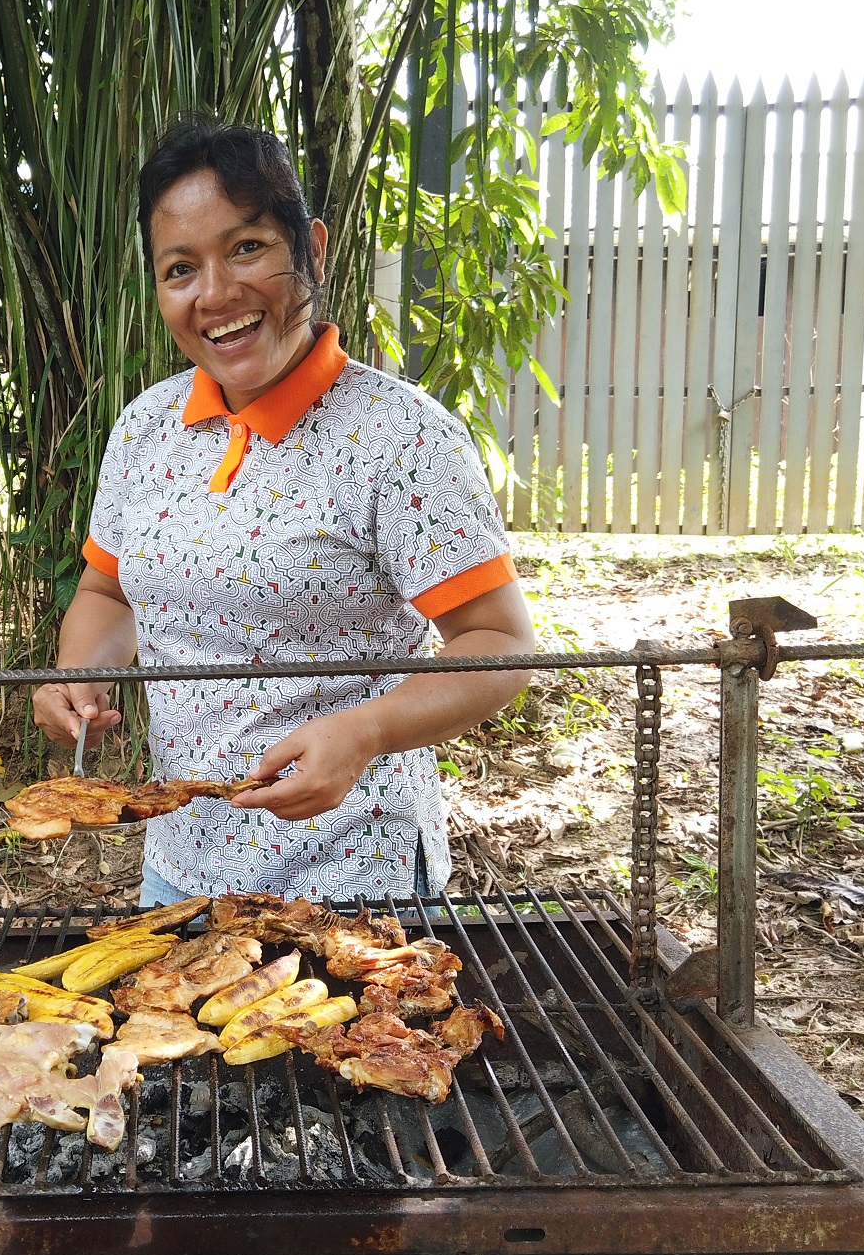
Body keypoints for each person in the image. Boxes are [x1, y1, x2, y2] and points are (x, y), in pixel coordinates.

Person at [32, 119, 536, 906]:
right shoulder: (145, 427)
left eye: (247, 248)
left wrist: (366, 731)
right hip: (180, 868)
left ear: (314, 250)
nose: (216, 294)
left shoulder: (399, 436)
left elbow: (500, 645)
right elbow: (106, 594)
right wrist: (79, 679)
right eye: (179, 269)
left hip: (350, 874)